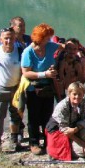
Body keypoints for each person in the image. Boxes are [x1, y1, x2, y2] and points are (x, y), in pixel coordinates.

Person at [21, 23, 60, 155]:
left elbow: (63, 47)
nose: (49, 39)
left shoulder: (50, 46)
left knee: (47, 116)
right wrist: (45, 74)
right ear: (40, 37)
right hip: (33, 88)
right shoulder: (28, 52)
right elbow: (26, 72)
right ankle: (34, 142)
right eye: (47, 37)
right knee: (34, 116)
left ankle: (48, 142)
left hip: (48, 88)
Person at [0, 27, 23, 151]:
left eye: (11, 38)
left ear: (14, 38)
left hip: (16, 89)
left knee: (16, 116)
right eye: (6, 38)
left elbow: (25, 69)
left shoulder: (20, 50)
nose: (8, 40)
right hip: (0, 90)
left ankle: (14, 139)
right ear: (1, 39)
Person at [45, 82, 85, 161]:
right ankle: (59, 149)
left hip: (73, 128)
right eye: (74, 94)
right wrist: (80, 142)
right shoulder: (62, 106)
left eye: (80, 94)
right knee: (82, 152)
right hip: (59, 131)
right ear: (69, 94)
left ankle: (79, 147)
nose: (77, 97)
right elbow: (64, 130)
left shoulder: (83, 102)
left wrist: (76, 129)